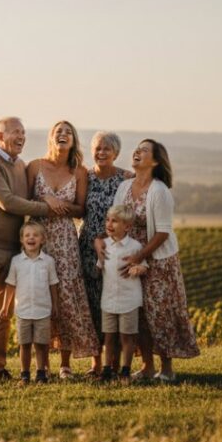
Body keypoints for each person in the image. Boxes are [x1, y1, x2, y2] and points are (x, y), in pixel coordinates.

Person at [0, 116, 66, 386]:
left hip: (11, 246)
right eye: (15, 132)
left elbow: (28, 199)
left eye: (23, 132)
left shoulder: (21, 166)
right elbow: (8, 202)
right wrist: (49, 208)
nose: (21, 137)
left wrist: (44, 198)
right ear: (0, 136)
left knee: (3, 311)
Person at [101, 139, 200, 382]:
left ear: (155, 161)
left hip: (158, 259)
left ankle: (166, 369)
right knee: (140, 313)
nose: (137, 152)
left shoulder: (160, 191)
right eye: (137, 149)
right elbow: (115, 220)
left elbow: (163, 232)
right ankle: (146, 367)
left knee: (160, 312)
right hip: (129, 255)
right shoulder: (124, 187)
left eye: (144, 150)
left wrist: (139, 255)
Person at [27, 120, 99, 379]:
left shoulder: (79, 171)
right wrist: (47, 199)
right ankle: (42, 365)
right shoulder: (35, 166)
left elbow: (81, 210)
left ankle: (65, 364)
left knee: (67, 297)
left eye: (68, 132)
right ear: (51, 138)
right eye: (59, 131)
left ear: (73, 141)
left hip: (66, 239)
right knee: (42, 297)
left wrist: (62, 206)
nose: (63, 134)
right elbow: (25, 201)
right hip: (39, 239)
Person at [77, 131, 134, 376]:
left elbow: (128, 213)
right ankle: (96, 363)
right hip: (88, 246)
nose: (101, 153)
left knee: (113, 303)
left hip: (115, 248)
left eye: (106, 149)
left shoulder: (125, 178)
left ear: (116, 153)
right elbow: (79, 209)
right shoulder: (85, 177)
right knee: (92, 304)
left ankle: (114, 363)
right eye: (98, 149)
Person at [0, 221, 60, 385]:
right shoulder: (17, 261)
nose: (31, 238)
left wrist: (55, 305)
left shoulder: (48, 261)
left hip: (43, 311)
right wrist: (6, 306)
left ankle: (41, 374)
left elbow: (53, 284)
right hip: (23, 311)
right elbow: (10, 285)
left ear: (43, 239)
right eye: (27, 235)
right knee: (24, 345)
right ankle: (24, 375)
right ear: (21, 240)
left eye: (35, 235)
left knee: (41, 345)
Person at [98, 205, 147, 382]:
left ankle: (125, 370)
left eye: (114, 221)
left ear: (127, 227)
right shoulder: (105, 246)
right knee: (109, 336)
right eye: (108, 220)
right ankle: (106, 370)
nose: (109, 224)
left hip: (129, 300)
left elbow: (145, 267)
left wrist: (138, 269)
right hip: (108, 300)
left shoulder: (135, 246)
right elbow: (100, 267)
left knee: (127, 336)